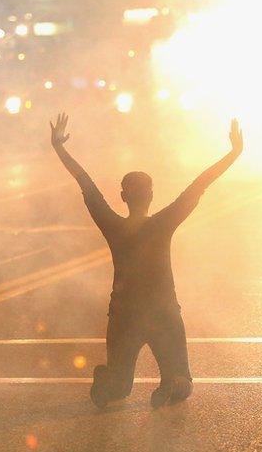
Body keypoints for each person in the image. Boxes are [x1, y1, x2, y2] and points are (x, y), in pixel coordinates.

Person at [48, 113, 243, 408]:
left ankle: (112, 378)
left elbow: (85, 183)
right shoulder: (163, 224)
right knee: (182, 380)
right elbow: (200, 184)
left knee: (116, 389)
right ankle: (172, 383)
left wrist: (60, 148)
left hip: (124, 317)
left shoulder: (113, 226)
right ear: (151, 195)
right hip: (164, 312)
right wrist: (234, 153)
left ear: (123, 196)